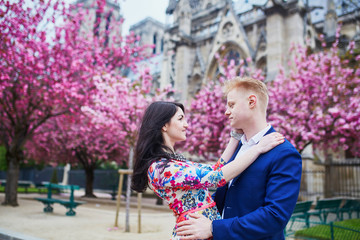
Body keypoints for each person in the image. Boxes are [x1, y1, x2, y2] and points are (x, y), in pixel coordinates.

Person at [131, 101, 285, 240]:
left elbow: (215, 169)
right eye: (180, 119)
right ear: (164, 125)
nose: (186, 124)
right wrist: (258, 148)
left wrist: (235, 137)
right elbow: (218, 177)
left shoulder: (172, 162)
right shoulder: (161, 168)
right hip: (193, 234)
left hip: (201, 231)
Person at [176, 77, 302, 240]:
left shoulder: (284, 153)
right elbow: (226, 197)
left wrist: (214, 228)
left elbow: (275, 216)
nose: (226, 112)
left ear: (251, 102)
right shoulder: (238, 147)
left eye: (231, 105)